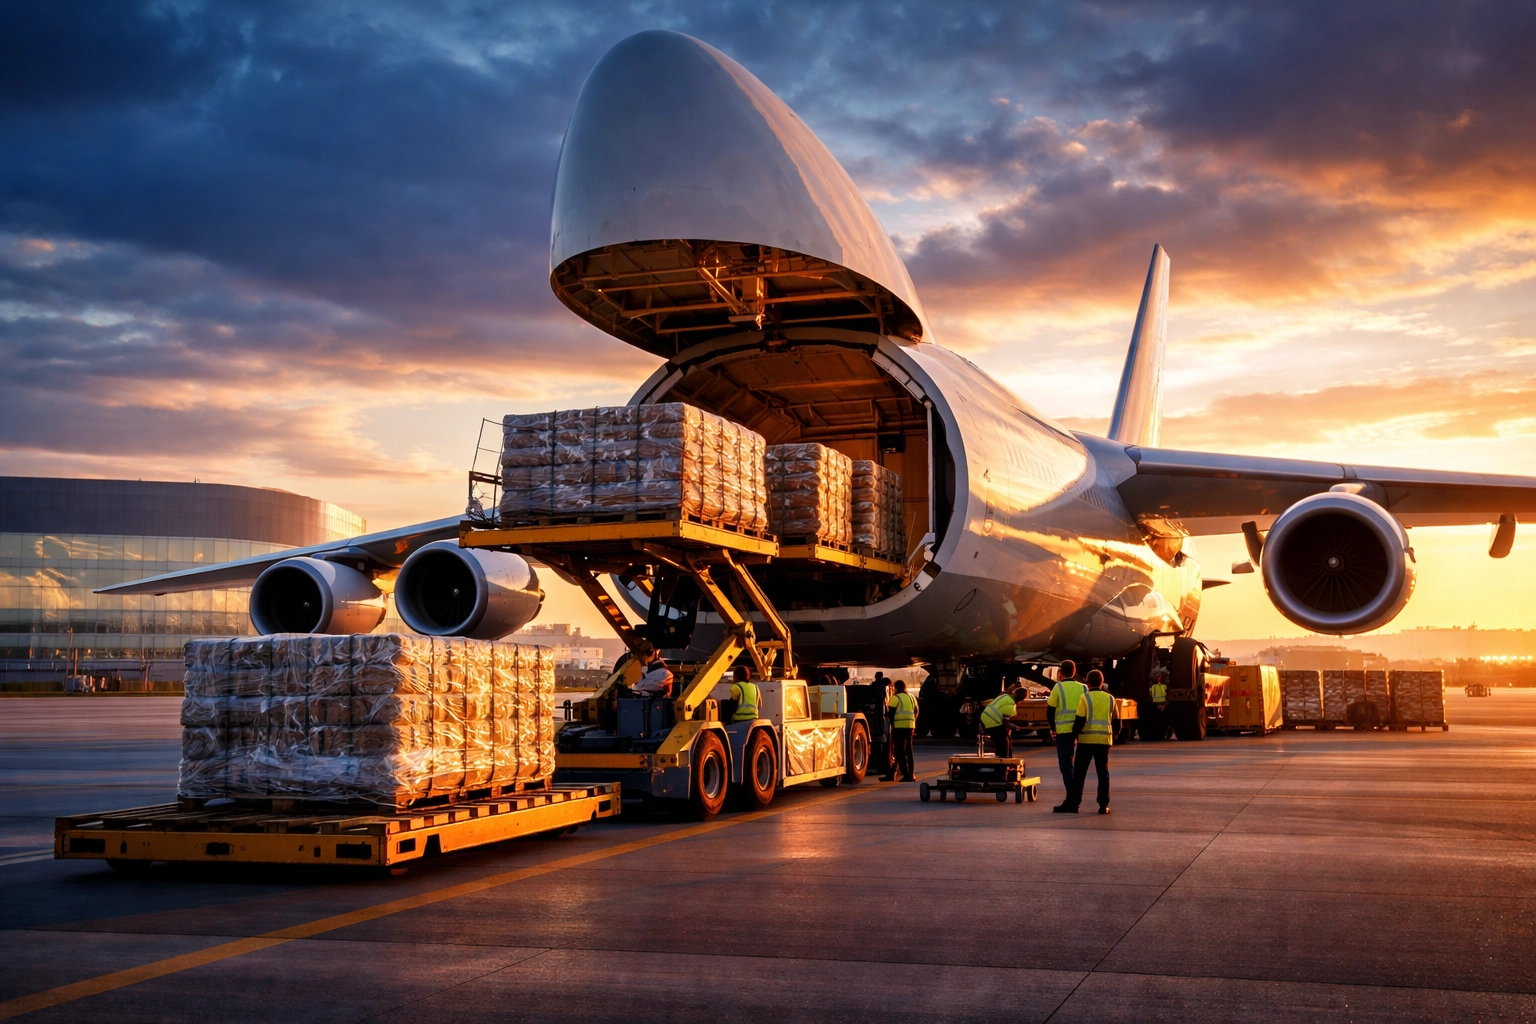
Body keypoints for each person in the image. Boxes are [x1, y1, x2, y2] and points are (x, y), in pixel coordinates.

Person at [1055, 669, 1120, 815]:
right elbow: (1117, 722)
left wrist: (1073, 737)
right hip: (1104, 742)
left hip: (1086, 742)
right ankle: (1103, 805)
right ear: (1102, 682)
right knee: (1103, 773)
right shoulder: (1110, 698)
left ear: (1088, 682)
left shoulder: (1085, 698)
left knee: (1079, 774)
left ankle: (1074, 804)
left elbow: (1079, 722)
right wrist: (1112, 736)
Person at [1046, 660, 1087, 793]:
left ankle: (1072, 794)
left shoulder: (1058, 688)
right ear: (1074, 672)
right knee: (1080, 766)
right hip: (1082, 732)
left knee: (1066, 766)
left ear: (1060, 673)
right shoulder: (1084, 688)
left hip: (1063, 732)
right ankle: (1076, 794)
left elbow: (1050, 711)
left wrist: (1053, 728)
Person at [880, 679, 918, 782]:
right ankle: (906, 774)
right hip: (910, 726)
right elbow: (916, 711)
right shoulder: (911, 697)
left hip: (898, 727)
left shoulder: (896, 698)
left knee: (899, 751)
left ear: (896, 688)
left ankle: (906, 776)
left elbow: (891, 713)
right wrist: (912, 723)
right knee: (909, 751)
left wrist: (888, 718)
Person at [979, 686, 1023, 759]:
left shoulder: (1005, 696)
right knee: (1003, 743)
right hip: (993, 722)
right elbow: (1006, 724)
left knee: (1004, 739)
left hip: (984, 717)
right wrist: (1015, 727)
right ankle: (1004, 761)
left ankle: (1006, 758)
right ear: (1021, 700)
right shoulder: (1011, 706)